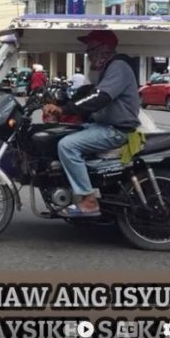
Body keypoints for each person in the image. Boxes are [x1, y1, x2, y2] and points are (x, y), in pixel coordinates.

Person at [42, 30, 140, 218]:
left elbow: (99, 97)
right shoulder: (105, 69)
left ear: (105, 48)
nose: (88, 52)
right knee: (60, 134)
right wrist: (61, 104)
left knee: (67, 145)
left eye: (92, 48)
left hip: (115, 130)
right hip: (103, 126)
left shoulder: (118, 66)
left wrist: (65, 109)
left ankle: (88, 199)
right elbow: (87, 94)